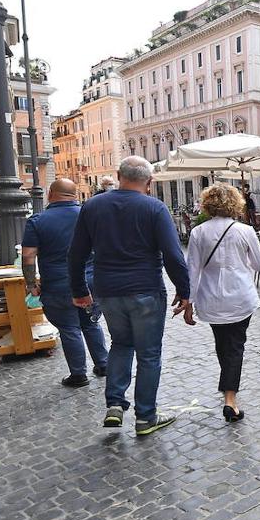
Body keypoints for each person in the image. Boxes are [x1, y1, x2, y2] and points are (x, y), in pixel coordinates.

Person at [68, 156, 190, 436]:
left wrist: (79, 290)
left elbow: (75, 254)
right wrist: (184, 290)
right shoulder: (155, 208)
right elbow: (173, 255)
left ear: (118, 175)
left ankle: (114, 404)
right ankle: (145, 417)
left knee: (121, 344)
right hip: (146, 289)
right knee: (149, 354)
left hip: (108, 290)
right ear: (150, 182)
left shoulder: (92, 206)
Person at [178, 184, 260, 423]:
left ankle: (227, 387)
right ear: (235, 204)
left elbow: (192, 270)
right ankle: (230, 399)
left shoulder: (198, 232)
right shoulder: (245, 231)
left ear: (208, 204)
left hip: (211, 297)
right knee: (235, 346)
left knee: (223, 343)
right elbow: (259, 264)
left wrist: (188, 302)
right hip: (240, 296)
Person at [22, 179, 108, 387]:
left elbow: (28, 256)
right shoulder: (91, 216)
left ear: (50, 194)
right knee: (91, 323)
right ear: (75, 194)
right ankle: (103, 364)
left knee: (69, 328)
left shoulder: (38, 221)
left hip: (57, 283)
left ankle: (78, 374)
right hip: (91, 280)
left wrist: (31, 284)